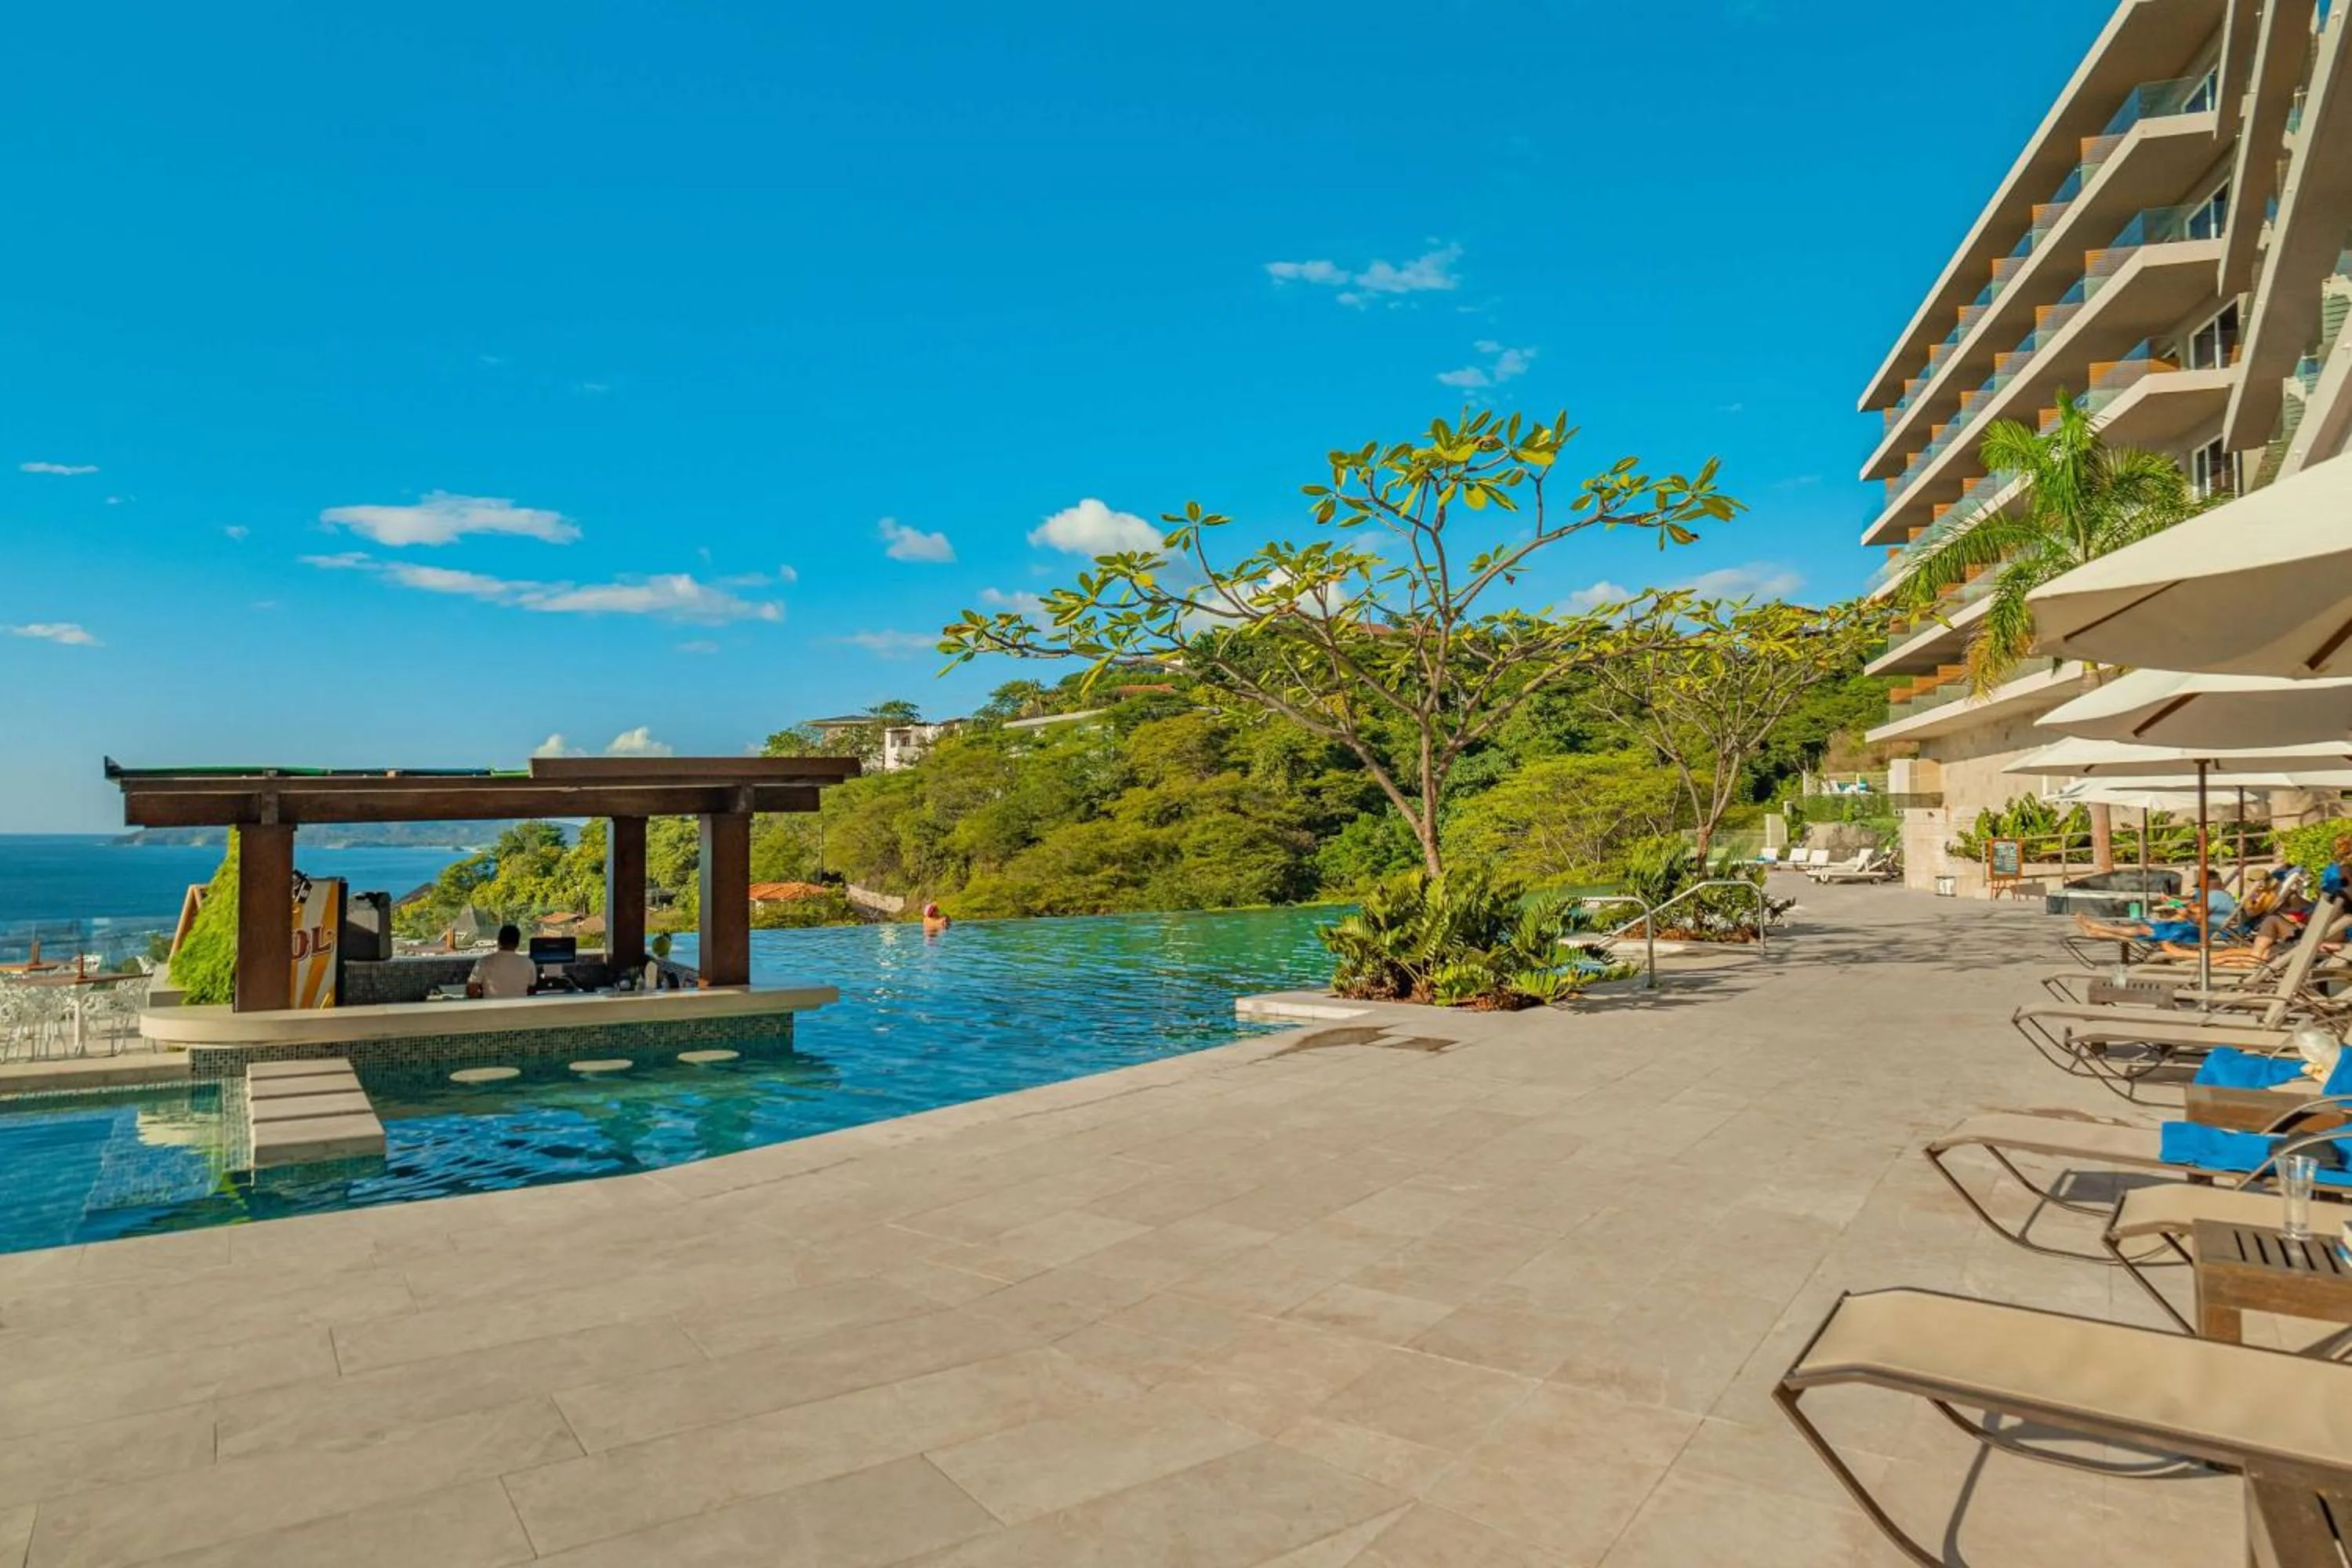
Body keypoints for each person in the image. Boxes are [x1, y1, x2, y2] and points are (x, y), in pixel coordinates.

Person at [466, 924, 535, 999]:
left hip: (491, 1008)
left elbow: (472, 991)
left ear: (499, 941)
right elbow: (531, 990)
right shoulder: (529, 963)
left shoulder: (484, 962)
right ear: (518, 943)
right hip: (520, 1008)